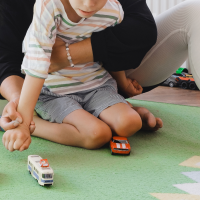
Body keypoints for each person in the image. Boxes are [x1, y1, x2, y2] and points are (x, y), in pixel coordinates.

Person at [0, 0, 163, 152]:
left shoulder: (112, 9)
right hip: (53, 92)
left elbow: (112, 51)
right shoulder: (48, 8)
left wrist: (122, 83)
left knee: (131, 123)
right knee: (98, 134)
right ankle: (35, 124)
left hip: (95, 84)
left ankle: (108, 112)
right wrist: (23, 123)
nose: (89, 4)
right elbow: (37, 66)